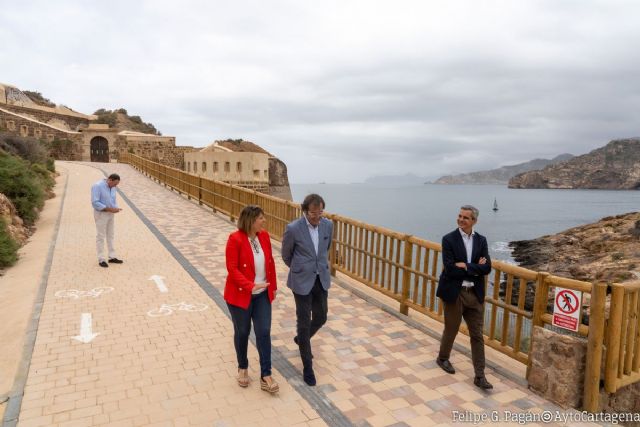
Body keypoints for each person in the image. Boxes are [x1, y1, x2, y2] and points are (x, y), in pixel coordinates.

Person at [435, 205, 493, 390]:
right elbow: (450, 269)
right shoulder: (448, 239)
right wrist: (475, 267)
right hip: (455, 292)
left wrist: (466, 267)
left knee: (477, 335)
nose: (461, 220)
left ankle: (480, 376)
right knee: (451, 329)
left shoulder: (481, 240)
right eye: (459, 216)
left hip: (474, 295)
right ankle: (443, 358)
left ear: (474, 221)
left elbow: (487, 267)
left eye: (465, 218)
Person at [224, 205, 279, 394]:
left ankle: (266, 374)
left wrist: (273, 286)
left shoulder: (264, 236)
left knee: (263, 331)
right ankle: (243, 367)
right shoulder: (235, 239)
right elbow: (232, 269)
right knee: (243, 332)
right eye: (261, 218)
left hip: (262, 294)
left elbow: (270, 263)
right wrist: (250, 285)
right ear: (251, 220)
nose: (264, 221)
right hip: (240, 295)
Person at [282, 194, 333, 386]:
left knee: (321, 317)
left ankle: (301, 340)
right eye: (313, 213)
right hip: (301, 281)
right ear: (305, 210)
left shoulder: (328, 225)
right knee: (303, 323)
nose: (317, 217)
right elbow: (286, 255)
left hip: (321, 278)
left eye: (320, 212)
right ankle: (307, 367)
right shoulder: (293, 228)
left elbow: (325, 249)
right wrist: (300, 269)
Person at [91, 173, 123, 268]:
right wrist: (109, 209)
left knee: (111, 235)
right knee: (101, 236)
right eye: (115, 184)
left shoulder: (113, 187)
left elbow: (113, 200)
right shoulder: (97, 186)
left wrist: (116, 208)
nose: (115, 186)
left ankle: (112, 257)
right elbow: (95, 202)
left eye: (117, 184)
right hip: (101, 214)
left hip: (110, 214)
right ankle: (101, 259)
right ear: (110, 180)